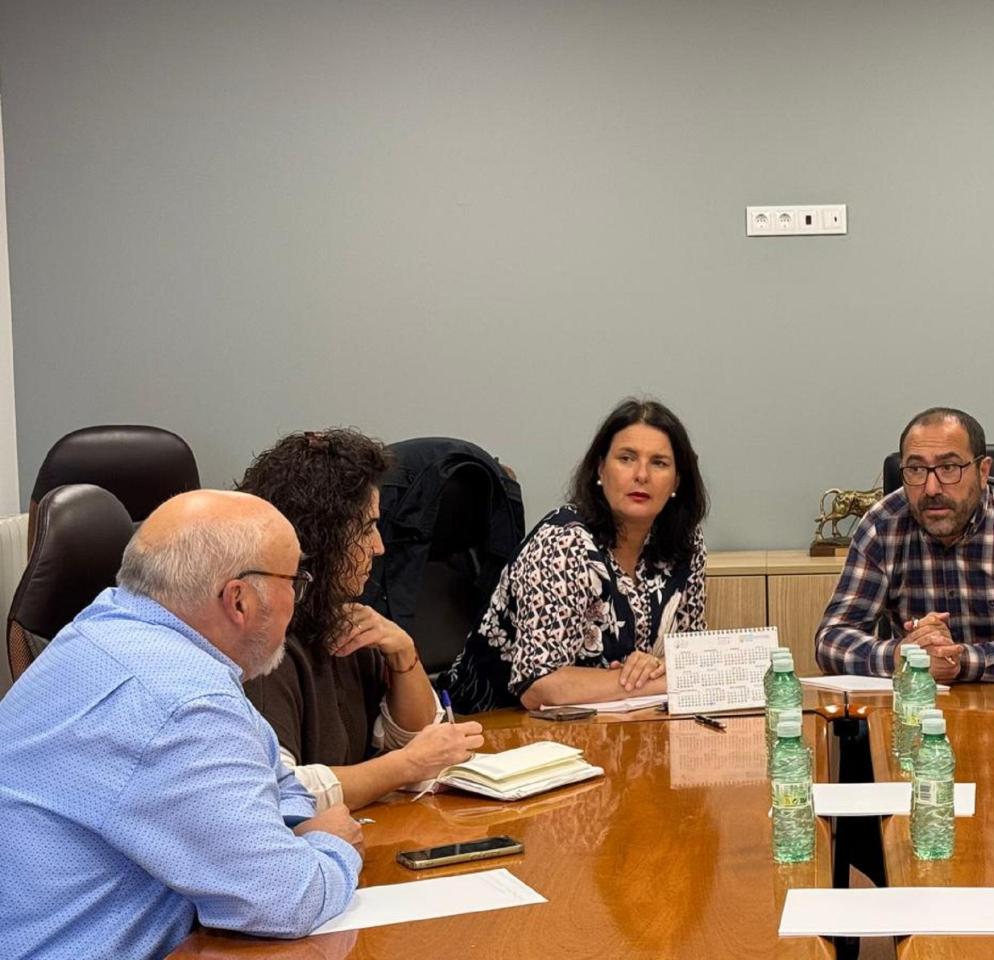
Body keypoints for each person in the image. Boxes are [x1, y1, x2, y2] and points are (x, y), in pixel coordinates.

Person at [0, 491, 363, 958]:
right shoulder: (183, 701)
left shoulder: (107, 628)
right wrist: (330, 845)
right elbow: (284, 901)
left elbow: (277, 779)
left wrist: (290, 832)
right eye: (295, 580)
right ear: (239, 601)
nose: (299, 597)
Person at [240, 429, 484, 811]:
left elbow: (417, 741)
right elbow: (279, 791)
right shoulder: (262, 644)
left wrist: (404, 656)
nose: (379, 547)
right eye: (367, 528)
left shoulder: (347, 617)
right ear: (324, 537)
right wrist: (406, 765)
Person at [442, 398, 709, 712]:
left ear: (676, 481)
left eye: (659, 463)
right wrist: (659, 680)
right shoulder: (563, 541)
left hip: (607, 722)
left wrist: (655, 666)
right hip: (495, 728)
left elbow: (693, 658)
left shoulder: (685, 545)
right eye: (626, 458)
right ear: (600, 469)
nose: (641, 475)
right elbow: (538, 685)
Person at [815, 406, 994, 683]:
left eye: (949, 468)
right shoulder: (882, 524)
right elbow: (832, 637)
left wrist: (960, 660)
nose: (932, 488)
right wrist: (901, 655)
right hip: (918, 706)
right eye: (916, 469)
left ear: (983, 471)